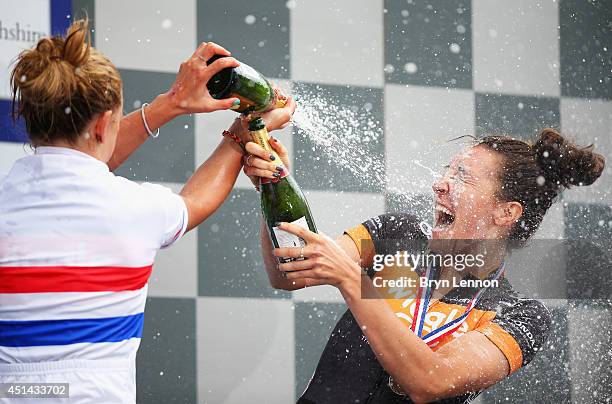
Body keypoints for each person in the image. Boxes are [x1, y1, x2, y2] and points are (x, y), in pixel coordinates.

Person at [0, 19, 293, 403]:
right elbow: (196, 201)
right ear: (106, 124)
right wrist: (244, 132)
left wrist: (171, 104)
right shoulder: (134, 208)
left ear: (27, 119)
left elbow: (79, 159)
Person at [253, 128, 605, 403]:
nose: (439, 184)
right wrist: (273, 190)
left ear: (506, 213)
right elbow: (290, 273)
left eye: (463, 177)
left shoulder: (520, 316)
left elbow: (429, 381)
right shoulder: (396, 236)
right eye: (446, 171)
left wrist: (351, 280)